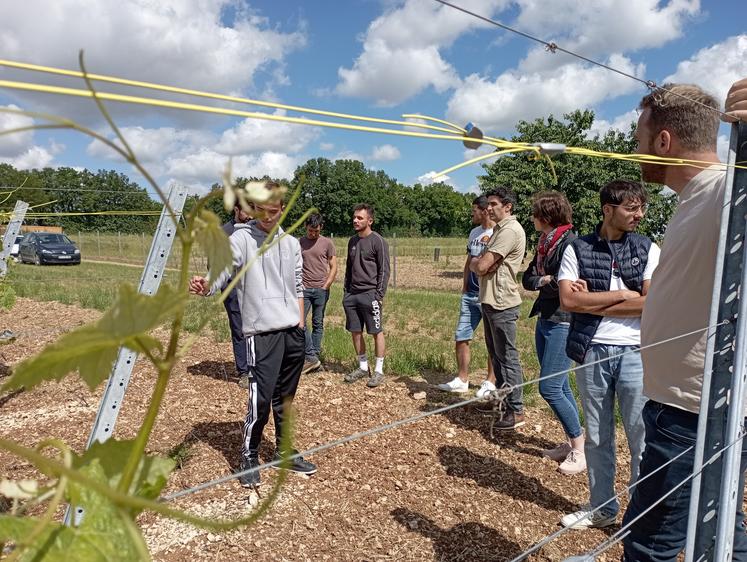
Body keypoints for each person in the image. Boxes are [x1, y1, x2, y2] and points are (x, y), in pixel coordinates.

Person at [622, 80, 747, 560]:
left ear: (663, 142)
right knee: (719, 535)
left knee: (649, 545)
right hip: (681, 405)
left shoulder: (726, 190)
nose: (634, 153)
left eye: (638, 142)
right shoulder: (694, 198)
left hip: (695, 413)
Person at [189, 185, 317, 488]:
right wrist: (205, 285)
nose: (269, 216)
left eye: (275, 210)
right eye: (263, 209)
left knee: (285, 398)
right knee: (260, 399)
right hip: (261, 333)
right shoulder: (241, 239)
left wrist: (299, 322)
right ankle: (249, 454)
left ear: (282, 208)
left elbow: (298, 283)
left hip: (292, 332)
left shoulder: (290, 242)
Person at [557, 179, 660, 529]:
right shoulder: (577, 249)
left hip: (636, 351)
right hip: (592, 350)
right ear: (607, 210)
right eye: (631, 208)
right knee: (598, 435)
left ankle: (641, 514)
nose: (639, 214)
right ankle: (602, 508)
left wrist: (595, 303)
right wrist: (626, 297)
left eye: (641, 207)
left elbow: (652, 303)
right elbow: (569, 301)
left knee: (640, 435)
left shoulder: (647, 247)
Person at [521, 191, 585, 475]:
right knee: (560, 387)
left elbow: (564, 284)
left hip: (564, 320)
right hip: (546, 317)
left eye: (535, 213)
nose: (532, 217)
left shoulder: (570, 243)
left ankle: (581, 452)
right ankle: (572, 442)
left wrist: (546, 281)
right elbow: (527, 278)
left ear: (546, 217)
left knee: (549, 387)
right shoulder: (545, 243)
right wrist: (544, 280)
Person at [469, 187, 527, 430]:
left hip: (502, 302)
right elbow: (482, 263)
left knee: (508, 357)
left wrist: (479, 263)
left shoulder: (510, 231)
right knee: (497, 356)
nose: (489, 208)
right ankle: (503, 402)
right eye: (488, 204)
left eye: (493, 204)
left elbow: (482, 266)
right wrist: (480, 263)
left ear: (507, 206)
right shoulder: (499, 230)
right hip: (491, 299)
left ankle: (516, 410)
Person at [436, 195, 496, 396]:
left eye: (474, 210)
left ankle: (490, 382)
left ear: (484, 210)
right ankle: (462, 379)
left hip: (488, 295)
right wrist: (464, 286)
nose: (472, 214)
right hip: (470, 294)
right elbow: (469, 260)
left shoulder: (498, 232)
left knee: (492, 340)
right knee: (461, 336)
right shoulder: (474, 233)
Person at [342, 204, 390, 388]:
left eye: (360, 218)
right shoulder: (352, 241)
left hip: (370, 294)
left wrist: (378, 295)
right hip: (352, 295)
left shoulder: (378, 241)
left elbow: (384, 270)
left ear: (370, 220)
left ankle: (378, 370)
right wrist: (346, 292)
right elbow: (348, 267)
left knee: (376, 332)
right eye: (354, 217)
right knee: (355, 331)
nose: (355, 220)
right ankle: (362, 367)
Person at [299, 213, 337, 374]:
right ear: (306, 227)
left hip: (321, 289)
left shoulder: (327, 243)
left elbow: (333, 265)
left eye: (316, 231)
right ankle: (311, 356)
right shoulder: (299, 243)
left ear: (321, 228)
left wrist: (327, 284)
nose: (313, 234)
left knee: (317, 323)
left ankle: (314, 356)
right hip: (304, 289)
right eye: (310, 231)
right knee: (299, 322)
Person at [222, 203, 251, 388]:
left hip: (253, 287)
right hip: (233, 289)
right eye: (246, 210)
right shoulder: (224, 232)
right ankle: (244, 372)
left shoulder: (255, 229)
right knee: (239, 330)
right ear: (236, 210)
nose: (250, 215)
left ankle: (258, 367)